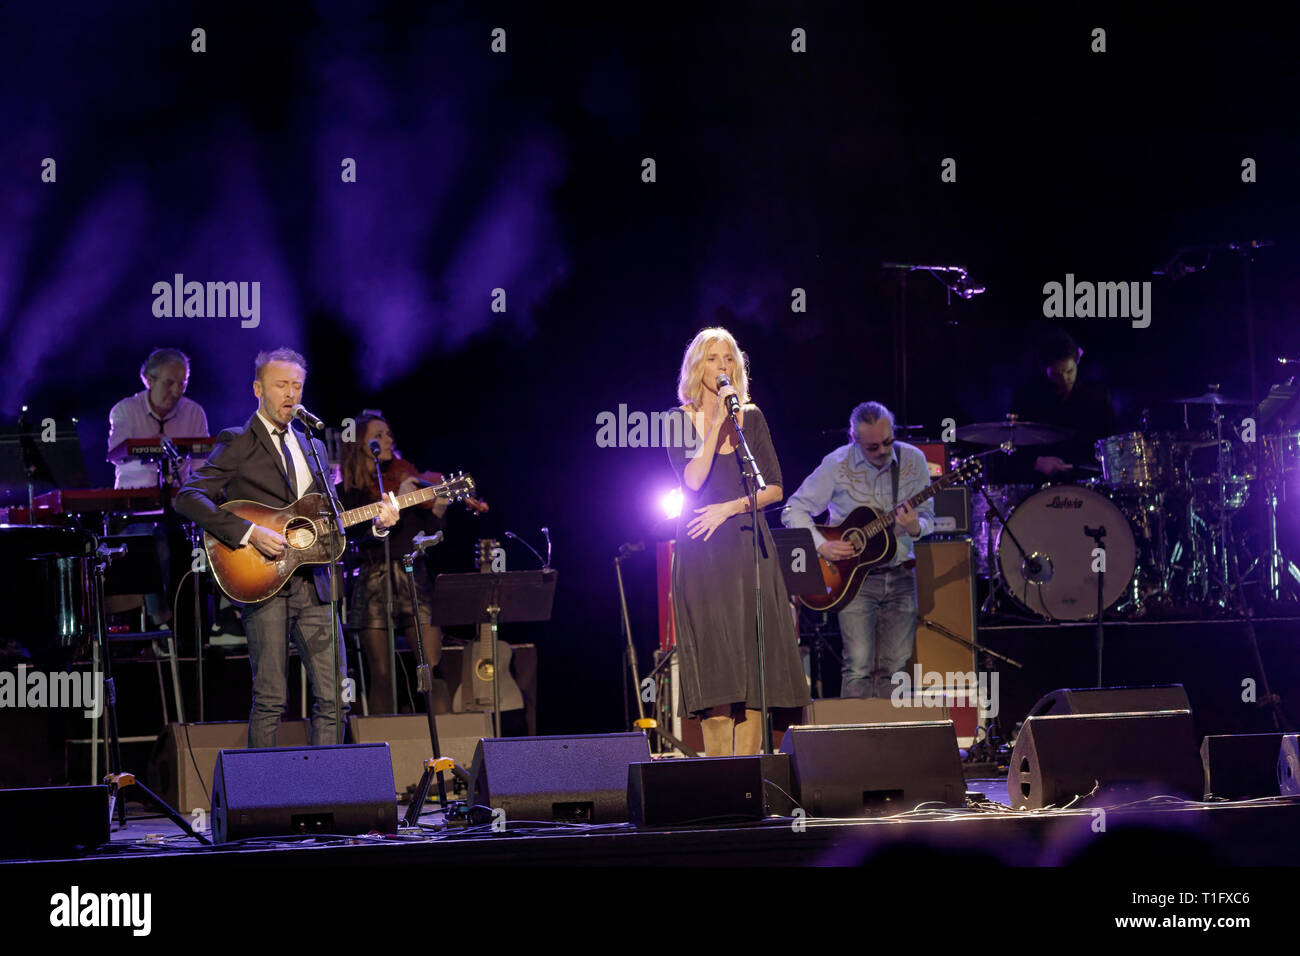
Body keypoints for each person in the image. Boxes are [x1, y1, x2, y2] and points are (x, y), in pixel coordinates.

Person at [175, 348, 398, 747]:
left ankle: (326, 795)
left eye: (297, 385)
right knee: (271, 699)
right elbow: (188, 496)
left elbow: (329, 525)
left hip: (316, 584)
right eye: (281, 385)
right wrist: (247, 533)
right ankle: (261, 804)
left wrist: (378, 523)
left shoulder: (311, 444)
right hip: (263, 579)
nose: (291, 393)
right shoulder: (239, 441)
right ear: (258, 389)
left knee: (333, 699)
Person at [666, 328, 810, 757]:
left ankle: (751, 783)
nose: (722, 366)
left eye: (728, 358)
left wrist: (729, 508)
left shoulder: (754, 417)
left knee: (752, 677)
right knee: (717, 673)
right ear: (697, 366)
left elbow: (775, 489)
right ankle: (720, 782)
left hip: (749, 549)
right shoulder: (677, 420)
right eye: (712, 359)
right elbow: (691, 480)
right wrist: (715, 426)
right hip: (702, 556)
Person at [782, 401, 934, 699]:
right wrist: (822, 545)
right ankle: (856, 742)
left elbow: (929, 517)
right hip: (853, 581)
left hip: (901, 575)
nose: (882, 451)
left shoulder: (914, 461)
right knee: (859, 667)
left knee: (894, 669)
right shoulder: (836, 464)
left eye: (887, 442)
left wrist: (916, 527)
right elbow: (793, 509)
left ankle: (889, 741)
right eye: (872, 447)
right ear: (854, 439)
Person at [338, 413, 450, 714]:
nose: (388, 441)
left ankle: (448, 747)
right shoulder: (348, 492)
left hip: (413, 577)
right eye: (379, 435)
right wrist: (396, 501)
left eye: (389, 434)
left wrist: (436, 512)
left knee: (431, 670)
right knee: (382, 677)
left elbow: (423, 536)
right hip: (373, 581)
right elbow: (356, 541)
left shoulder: (403, 475)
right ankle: (384, 752)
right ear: (361, 443)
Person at [1010, 329, 1117, 481]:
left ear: (1077, 361)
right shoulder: (1028, 396)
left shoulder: (1097, 394)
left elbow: (1111, 442)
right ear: (1044, 369)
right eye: (1056, 374)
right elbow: (1012, 449)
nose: (1065, 379)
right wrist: (1036, 462)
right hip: (1042, 484)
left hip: (1089, 482)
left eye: (1069, 371)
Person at [107, 348, 210, 489]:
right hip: (133, 500)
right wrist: (150, 446)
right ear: (149, 380)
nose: (176, 391)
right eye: (169, 383)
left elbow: (201, 464)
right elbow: (116, 454)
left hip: (177, 502)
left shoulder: (194, 412)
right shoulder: (126, 410)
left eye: (182, 384)